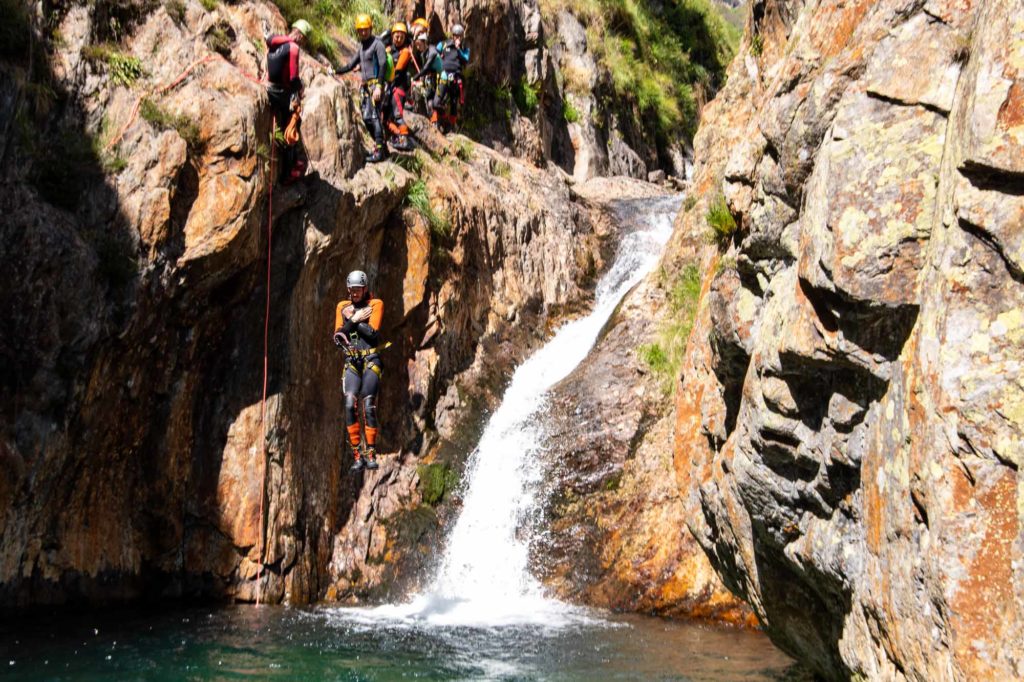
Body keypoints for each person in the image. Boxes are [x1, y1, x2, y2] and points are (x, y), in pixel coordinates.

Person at [333, 270, 385, 472]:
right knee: (349, 403)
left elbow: (372, 334)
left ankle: (371, 451)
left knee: (368, 403)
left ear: (364, 289)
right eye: (352, 290)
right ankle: (357, 454)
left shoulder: (375, 304)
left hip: (371, 358)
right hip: (352, 360)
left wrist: (352, 320)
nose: (354, 294)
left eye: (358, 290)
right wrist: (355, 320)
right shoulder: (342, 307)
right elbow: (338, 336)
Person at [335, 14, 390, 163]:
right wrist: (335, 71)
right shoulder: (361, 48)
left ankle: (379, 152)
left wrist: (379, 86)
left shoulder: (377, 44)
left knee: (374, 117)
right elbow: (350, 65)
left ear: (371, 29)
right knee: (367, 118)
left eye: (366, 29)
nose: (363, 32)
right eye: (360, 30)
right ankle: (382, 147)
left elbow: (383, 64)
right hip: (366, 88)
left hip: (375, 86)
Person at [265, 19, 311, 181]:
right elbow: (293, 78)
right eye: (304, 39)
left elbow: (268, 40)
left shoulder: (277, 41)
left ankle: (293, 161)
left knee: (291, 121)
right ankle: (288, 171)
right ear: (300, 36)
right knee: (292, 123)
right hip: (280, 91)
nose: (303, 43)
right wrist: (300, 89)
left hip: (269, 87)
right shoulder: (293, 48)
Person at [415, 23, 469, 131]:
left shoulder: (464, 49)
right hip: (442, 76)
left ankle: (451, 127)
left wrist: (458, 49)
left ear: (462, 37)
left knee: (453, 103)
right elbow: (434, 54)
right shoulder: (443, 44)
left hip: (456, 79)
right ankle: (437, 120)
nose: (457, 38)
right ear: (452, 36)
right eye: (456, 36)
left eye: (460, 36)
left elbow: (466, 59)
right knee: (436, 101)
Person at [384, 22, 414, 151]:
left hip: (398, 88)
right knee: (386, 118)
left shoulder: (406, 51)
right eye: (396, 36)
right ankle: (397, 135)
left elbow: (398, 70)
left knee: (397, 116)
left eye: (402, 37)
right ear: (392, 36)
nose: (399, 39)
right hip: (390, 87)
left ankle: (405, 139)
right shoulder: (389, 50)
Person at [408, 29, 437, 116]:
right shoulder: (423, 53)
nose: (418, 48)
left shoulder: (432, 51)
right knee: (417, 90)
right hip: (429, 77)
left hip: (437, 78)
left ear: (425, 43)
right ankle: (419, 110)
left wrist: (416, 76)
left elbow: (426, 68)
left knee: (430, 98)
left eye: (419, 45)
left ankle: (433, 118)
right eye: (416, 45)